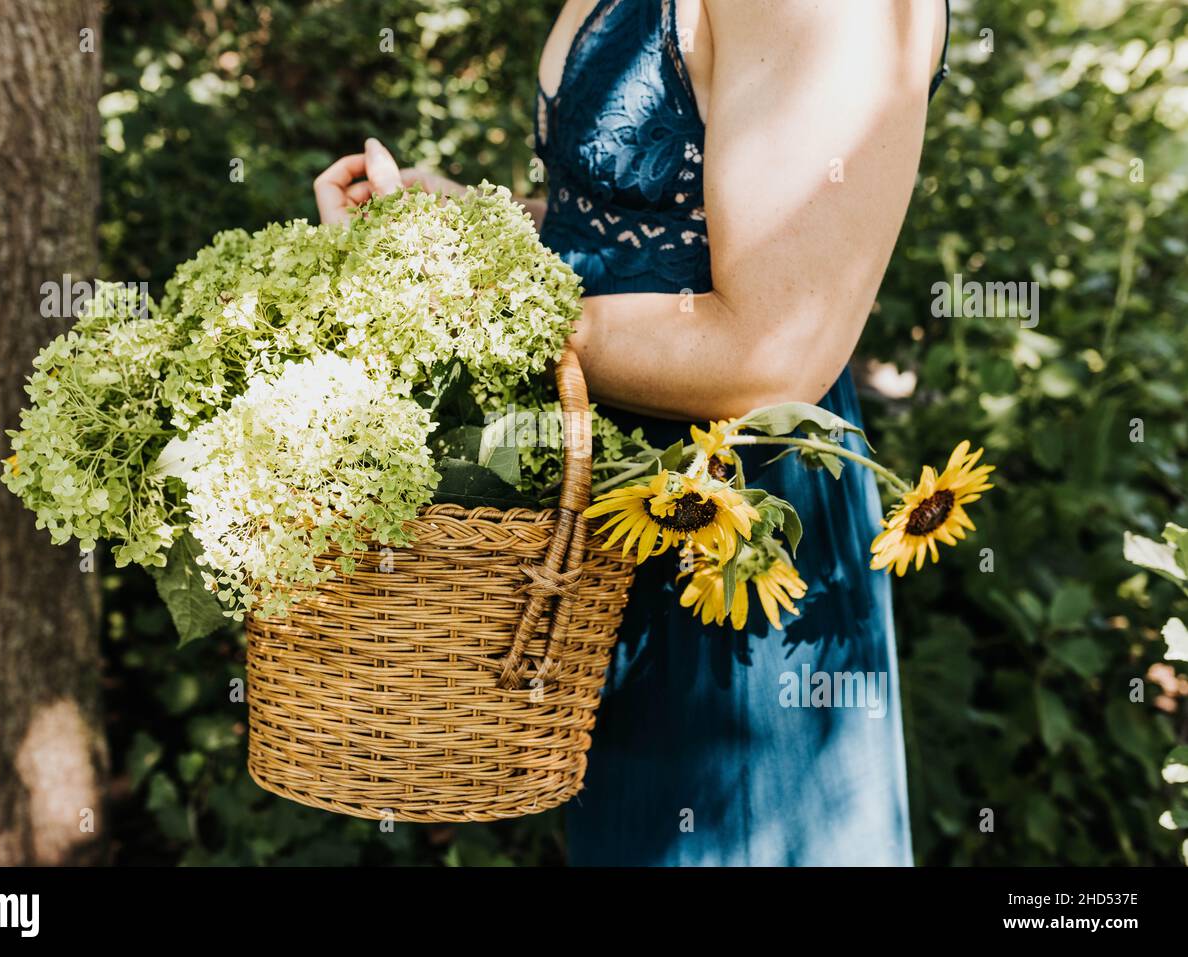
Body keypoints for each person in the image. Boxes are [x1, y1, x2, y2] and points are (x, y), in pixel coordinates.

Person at [315, 0, 952, 866]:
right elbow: (641, 234)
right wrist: (461, 229)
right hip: (609, 520)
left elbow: (769, 349)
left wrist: (466, 297)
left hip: (727, 539)